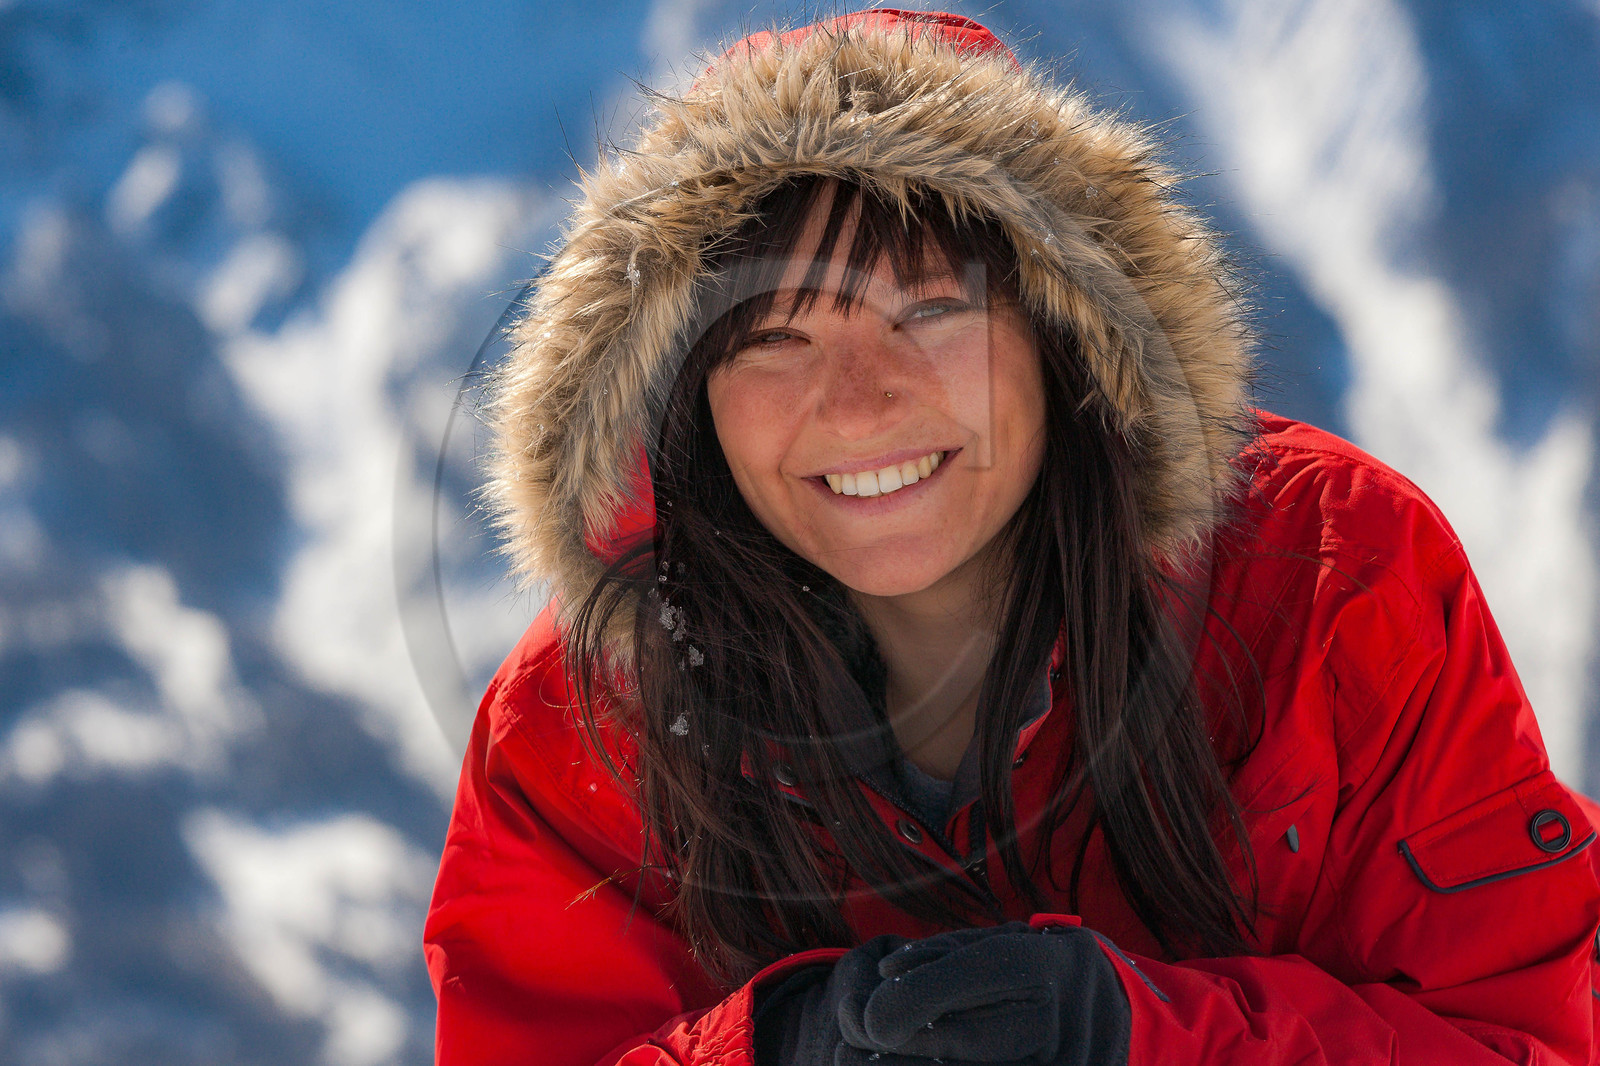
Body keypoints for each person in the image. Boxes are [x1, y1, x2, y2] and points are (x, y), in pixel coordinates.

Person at [423, 10, 1600, 1065]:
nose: (859, 399)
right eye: (775, 335)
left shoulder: (1337, 581)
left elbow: (1522, 1035)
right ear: (687, 406)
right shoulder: (586, 720)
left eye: (931, 310)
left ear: (1064, 344)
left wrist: (1137, 1035)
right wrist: (781, 1046)